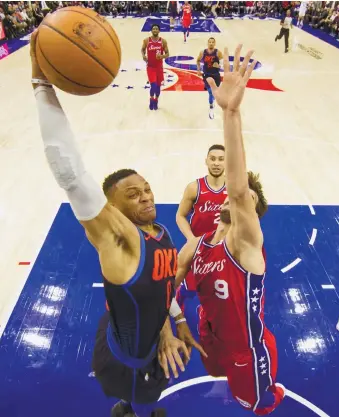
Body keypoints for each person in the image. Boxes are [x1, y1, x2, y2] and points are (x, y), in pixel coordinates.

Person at [30, 30, 204, 417]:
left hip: (142, 331)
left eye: (146, 188)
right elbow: (70, 172)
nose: (146, 196)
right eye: (133, 194)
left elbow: (163, 284)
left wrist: (173, 323)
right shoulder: (116, 239)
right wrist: (42, 84)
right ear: (112, 209)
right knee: (139, 402)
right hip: (125, 358)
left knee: (148, 396)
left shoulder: (159, 233)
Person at [175, 45, 285, 415]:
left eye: (246, 202)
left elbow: (238, 191)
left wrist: (231, 113)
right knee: (217, 383)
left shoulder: (247, 244)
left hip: (247, 352)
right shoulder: (197, 246)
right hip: (209, 336)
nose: (235, 200)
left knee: (252, 406)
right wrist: (170, 323)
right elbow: (166, 288)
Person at [175, 144, 226, 310]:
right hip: (198, 247)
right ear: (206, 161)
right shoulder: (194, 188)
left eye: (221, 159)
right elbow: (180, 216)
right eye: (213, 159)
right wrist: (192, 240)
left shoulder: (234, 190)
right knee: (190, 286)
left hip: (223, 248)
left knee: (220, 287)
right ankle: (179, 300)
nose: (216, 163)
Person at [142, 24, 169, 111]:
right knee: (153, 85)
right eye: (153, 28)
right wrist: (144, 56)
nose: (155, 30)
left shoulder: (163, 41)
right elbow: (142, 49)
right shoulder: (147, 40)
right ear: (151, 30)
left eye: (156, 29)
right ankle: (151, 99)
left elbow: (168, 54)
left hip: (159, 68)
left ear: (159, 31)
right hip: (150, 67)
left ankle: (156, 99)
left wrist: (161, 56)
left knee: (158, 87)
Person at [196, 37, 223, 119]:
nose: (211, 43)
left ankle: (212, 101)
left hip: (216, 75)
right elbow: (197, 60)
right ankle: (211, 108)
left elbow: (222, 63)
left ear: (215, 44)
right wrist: (198, 70)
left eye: (212, 42)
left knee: (214, 93)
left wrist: (218, 66)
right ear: (207, 43)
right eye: (210, 42)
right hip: (207, 74)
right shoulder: (203, 52)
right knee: (210, 92)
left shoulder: (218, 53)